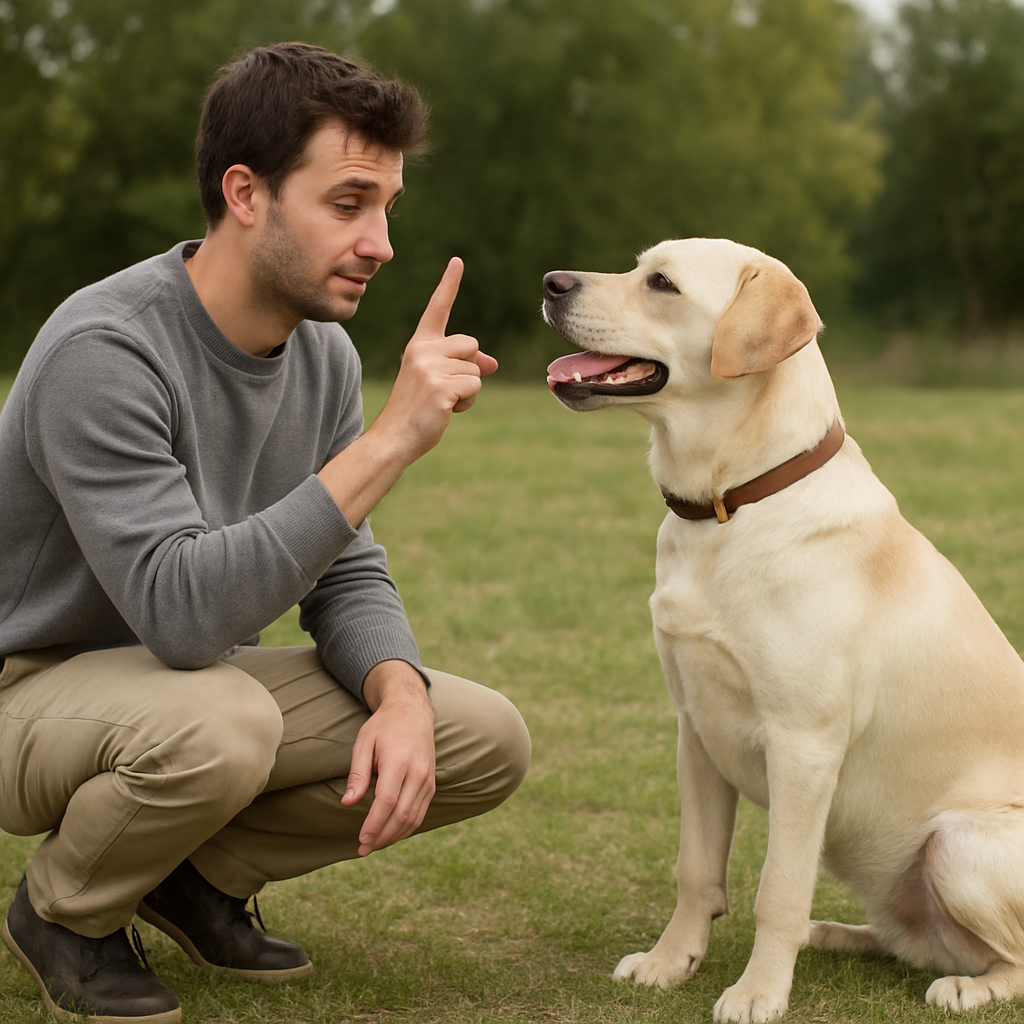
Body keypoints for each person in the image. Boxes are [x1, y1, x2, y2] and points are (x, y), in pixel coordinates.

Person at [0, 42, 531, 1024]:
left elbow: (342, 568)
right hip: (29, 688)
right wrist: (390, 443)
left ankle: (185, 873)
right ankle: (61, 912)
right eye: (347, 203)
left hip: (176, 693)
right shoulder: (104, 349)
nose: (379, 241)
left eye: (387, 208)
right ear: (245, 194)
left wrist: (399, 688)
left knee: (475, 736)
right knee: (222, 721)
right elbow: (183, 616)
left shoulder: (321, 353)